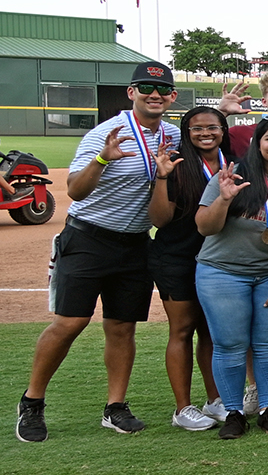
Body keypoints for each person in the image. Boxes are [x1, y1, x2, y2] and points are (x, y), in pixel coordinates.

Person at [19, 61, 181, 442]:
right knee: (69, 323)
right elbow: (75, 190)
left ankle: (115, 406)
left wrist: (221, 111)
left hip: (136, 243)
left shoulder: (171, 135)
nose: (153, 95)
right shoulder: (106, 133)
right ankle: (32, 401)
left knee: (122, 327)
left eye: (161, 90)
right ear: (131, 93)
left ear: (172, 97)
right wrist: (104, 159)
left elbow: (207, 134)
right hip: (89, 238)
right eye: (145, 88)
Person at [193, 118, 268, 440]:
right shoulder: (234, 178)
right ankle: (234, 412)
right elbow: (205, 228)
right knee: (230, 344)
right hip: (222, 272)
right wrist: (223, 198)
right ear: (258, 144)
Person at [148, 106, 232, 430]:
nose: (205, 133)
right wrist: (162, 176)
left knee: (211, 332)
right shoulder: (177, 164)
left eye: (212, 127)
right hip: (176, 258)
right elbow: (159, 220)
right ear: (186, 132)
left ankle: (214, 400)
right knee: (182, 330)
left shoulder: (232, 162)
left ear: (223, 130)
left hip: (216, 259)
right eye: (196, 129)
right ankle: (182, 408)